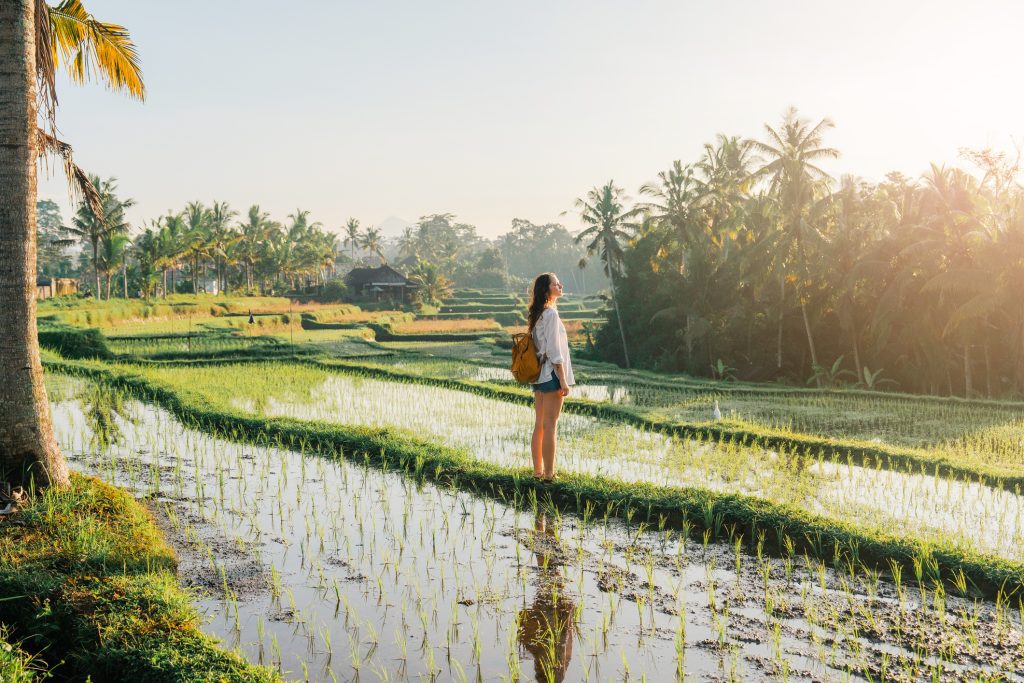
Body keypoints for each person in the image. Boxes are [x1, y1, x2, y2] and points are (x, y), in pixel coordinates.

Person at [528, 273, 574, 480]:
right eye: (556, 284)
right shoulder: (551, 314)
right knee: (550, 425)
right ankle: (548, 474)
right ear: (547, 290)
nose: (560, 285)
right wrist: (563, 380)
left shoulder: (538, 313)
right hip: (551, 375)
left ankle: (538, 471)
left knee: (540, 424)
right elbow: (556, 351)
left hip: (538, 375)